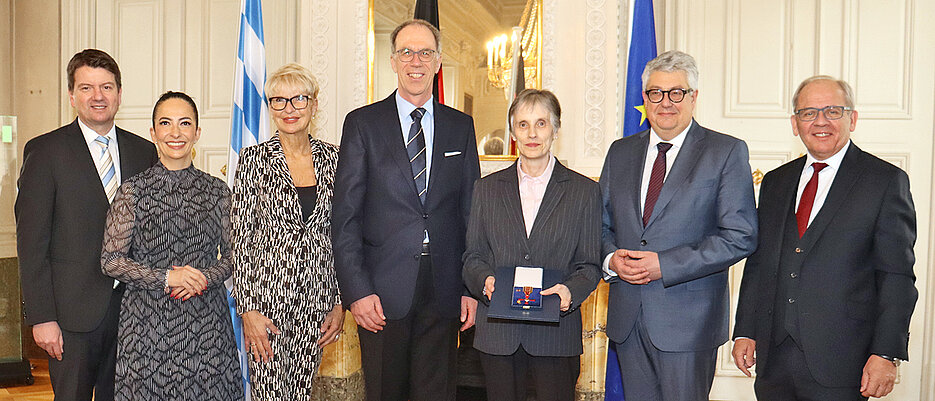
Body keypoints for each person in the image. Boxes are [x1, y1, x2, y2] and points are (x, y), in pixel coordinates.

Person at [732, 76, 918, 400]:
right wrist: (745, 330)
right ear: (795, 123)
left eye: (833, 111)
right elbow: (759, 264)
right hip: (773, 365)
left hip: (843, 365)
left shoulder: (885, 181)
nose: (820, 121)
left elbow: (897, 277)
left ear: (853, 118)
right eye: (808, 113)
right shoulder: (776, 182)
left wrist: (886, 353)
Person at [332, 19, 481, 401]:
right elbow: (345, 218)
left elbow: (471, 213)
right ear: (394, 61)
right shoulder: (362, 124)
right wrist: (357, 291)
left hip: (446, 289)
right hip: (381, 293)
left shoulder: (460, 126)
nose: (416, 60)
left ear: (438, 61)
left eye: (425, 52)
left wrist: (470, 287)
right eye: (407, 52)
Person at [599, 50, 758, 400]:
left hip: (689, 324)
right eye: (656, 92)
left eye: (676, 93)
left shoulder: (725, 152)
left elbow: (740, 236)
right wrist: (612, 260)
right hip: (628, 320)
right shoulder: (619, 152)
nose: (665, 102)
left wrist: (664, 265)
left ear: (693, 97)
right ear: (645, 98)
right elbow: (599, 224)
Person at [15, 49, 158, 401]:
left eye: (106, 87)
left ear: (120, 94)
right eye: (87, 88)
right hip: (70, 318)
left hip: (134, 315)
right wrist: (42, 317)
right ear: (71, 95)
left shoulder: (145, 152)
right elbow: (31, 243)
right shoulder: (45, 151)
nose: (98, 96)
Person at [101, 91, 242, 400]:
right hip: (146, 324)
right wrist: (167, 277)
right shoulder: (132, 191)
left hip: (206, 322)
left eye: (185, 123)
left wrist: (203, 277)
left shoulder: (218, 191)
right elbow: (111, 259)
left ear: (197, 133)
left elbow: (235, 256)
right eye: (166, 123)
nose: (175, 133)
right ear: (153, 133)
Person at [462, 89, 601, 401]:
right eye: (523, 125)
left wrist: (570, 291)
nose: (532, 133)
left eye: (541, 123)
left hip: (555, 334)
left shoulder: (585, 192)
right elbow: (473, 256)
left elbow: (590, 264)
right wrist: (485, 280)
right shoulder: (486, 189)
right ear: (513, 132)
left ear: (555, 128)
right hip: (498, 336)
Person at [231, 63, 344, 399]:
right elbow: (242, 238)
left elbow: (344, 235)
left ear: (314, 104)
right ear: (269, 108)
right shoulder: (254, 159)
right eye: (278, 101)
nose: (289, 109)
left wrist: (340, 302)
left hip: (320, 304)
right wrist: (248, 309)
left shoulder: (336, 159)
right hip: (268, 304)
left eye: (298, 99)